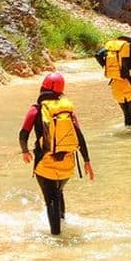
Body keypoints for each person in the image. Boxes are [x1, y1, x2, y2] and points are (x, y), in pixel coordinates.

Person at [19, 72, 94, 235]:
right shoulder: (68, 111)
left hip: (45, 163)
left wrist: (24, 150)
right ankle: (63, 223)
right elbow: (79, 136)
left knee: (50, 199)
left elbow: (23, 133)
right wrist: (87, 161)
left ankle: (56, 236)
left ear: (43, 88)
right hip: (67, 164)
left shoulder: (36, 109)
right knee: (58, 191)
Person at [95, 31, 131, 131]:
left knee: (128, 118)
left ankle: (126, 139)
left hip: (116, 85)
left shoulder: (117, 47)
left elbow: (98, 55)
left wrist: (107, 66)